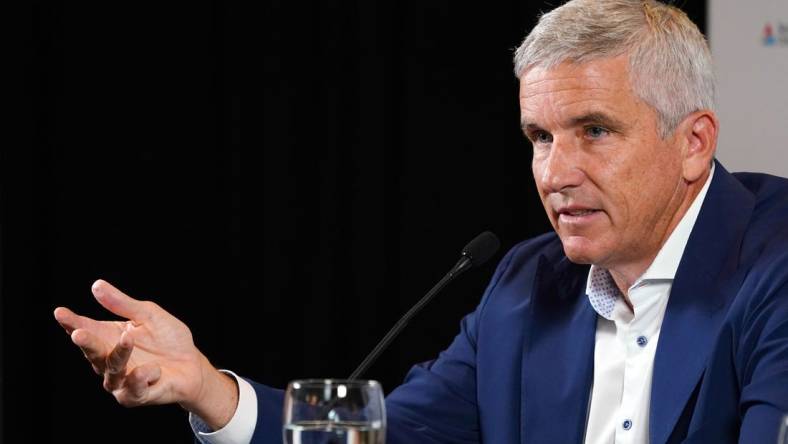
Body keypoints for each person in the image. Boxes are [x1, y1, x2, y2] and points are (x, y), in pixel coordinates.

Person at [54, 0, 788, 442]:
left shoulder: (774, 256)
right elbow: (388, 432)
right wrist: (211, 389)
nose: (555, 174)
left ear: (693, 143)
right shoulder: (527, 285)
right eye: (539, 136)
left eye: (595, 130)